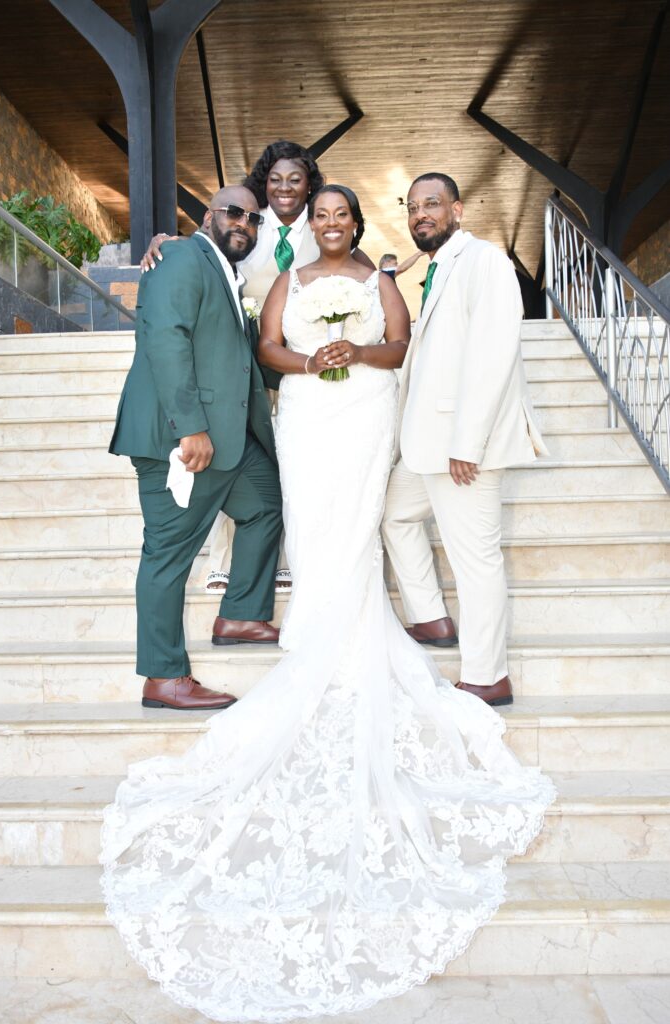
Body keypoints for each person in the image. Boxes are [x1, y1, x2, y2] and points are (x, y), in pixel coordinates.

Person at [101, 183, 554, 1021]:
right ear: (305, 225)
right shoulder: (279, 276)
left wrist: (355, 356)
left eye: (344, 215)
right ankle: (293, 629)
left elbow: (402, 345)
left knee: (357, 521)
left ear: (360, 223)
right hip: (307, 414)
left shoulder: (399, 276)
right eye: (321, 216)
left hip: (370, 413)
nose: (333, 224)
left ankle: (369, 630)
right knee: (309, 519)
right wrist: (312, 360)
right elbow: (265, 344)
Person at [141, 140, 375, 598]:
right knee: (236, 460)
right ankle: (223, 564)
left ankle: (288, 558)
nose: (285, 188)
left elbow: (366, 279)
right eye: (275, 180)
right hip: (241, 368)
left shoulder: (324, 228)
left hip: (302, 372)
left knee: (285, 468)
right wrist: (163, 242)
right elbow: (202, 253)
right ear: (262, 185)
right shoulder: (248, 225)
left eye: (296, 180)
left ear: (311, 186)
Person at [109, 185, 283, 710]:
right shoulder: (182, 254)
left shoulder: (228, 273)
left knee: (266, 506)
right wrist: (189, 427)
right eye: (234, 213)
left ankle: (240, 615)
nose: (243, 224)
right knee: (167, 553)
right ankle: (163, 677)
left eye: (253, 219)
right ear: (209, 215)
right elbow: (165, 336)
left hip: (228, 438)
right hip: (180, 438)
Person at [382, 172, 549, 707]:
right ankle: (431, 618)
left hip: (460, 448)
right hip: (425, 443)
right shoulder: (438, 267)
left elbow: (493, 355)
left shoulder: (486, 262)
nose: (420, 215)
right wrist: (386, 274)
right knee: (392, 514)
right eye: (412, 208)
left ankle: (486, 675)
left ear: (457, 210)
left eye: (431, 204)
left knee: (476, 561)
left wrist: (467, 444)